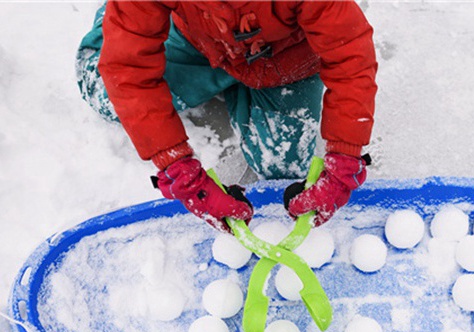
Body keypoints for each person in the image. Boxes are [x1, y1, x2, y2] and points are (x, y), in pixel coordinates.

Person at [76, 1, 378, 232]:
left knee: (283, 166)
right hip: (196, 43)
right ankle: (112, 19)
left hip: (285, 59)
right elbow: (128, 68)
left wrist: (345, 154)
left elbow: (349, 54)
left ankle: (241, 87)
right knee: (108, 94)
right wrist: (177, 166)